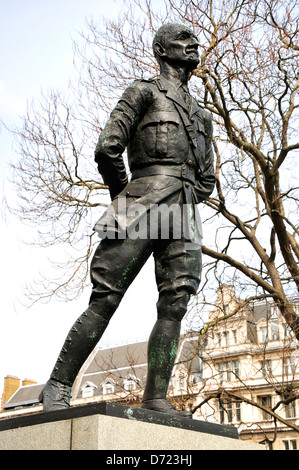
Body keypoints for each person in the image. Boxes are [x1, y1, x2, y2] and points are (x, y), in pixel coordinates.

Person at [39, 22, 215, 417]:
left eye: (194, 40)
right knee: (105, 298)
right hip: (140, 202)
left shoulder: (202, 117)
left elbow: (208, 178)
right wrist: (125, 196)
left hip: (183, 210)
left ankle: (156, 398)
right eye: (183, 39)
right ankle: (59, 386)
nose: (193, 44)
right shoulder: (143, 92)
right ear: (160, 48)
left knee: (176, 303)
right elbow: (108, 148)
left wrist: (183, 194)